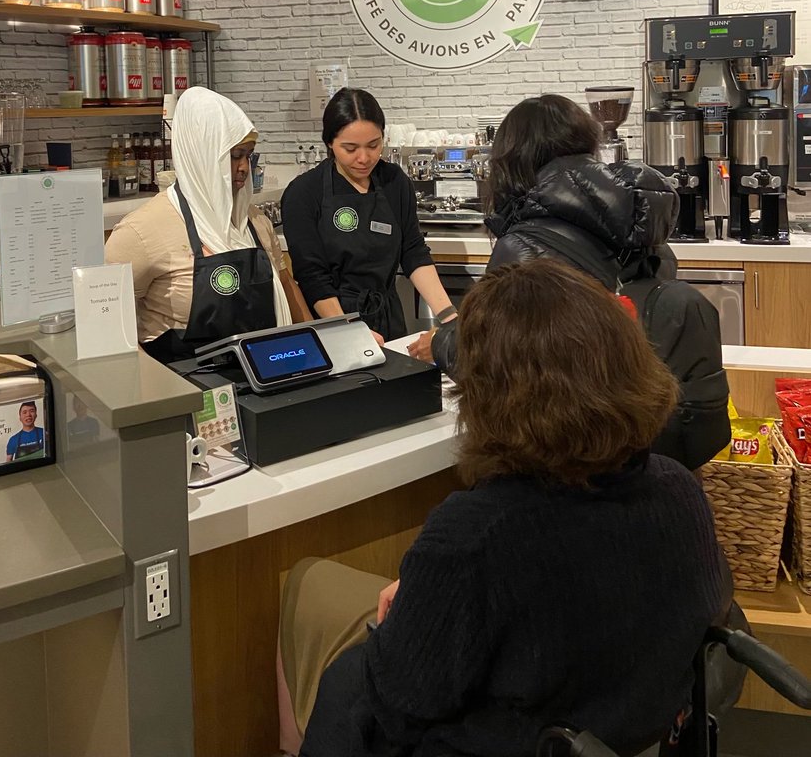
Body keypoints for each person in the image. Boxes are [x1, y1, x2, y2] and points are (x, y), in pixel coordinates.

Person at [278, 260, 730, 757]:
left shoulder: (475, 536)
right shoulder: (677, 489)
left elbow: (403, 702)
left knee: (339, 662)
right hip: (637, 734)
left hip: (511, 741)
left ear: (487, 392)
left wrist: (423, 605)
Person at [423, 93, 731, 470]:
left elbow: (500, 357)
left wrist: (441, 343)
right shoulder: (636, 214)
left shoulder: (524, 243)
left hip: (578, 458)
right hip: (656, 443)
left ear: (512, 159)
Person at [105, 87, 301, 362]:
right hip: (184, 389)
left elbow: (286, 288)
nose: (244, 167)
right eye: (234, 156)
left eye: (249, 155)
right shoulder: (140, 232)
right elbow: (107, 326)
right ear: (201, 154)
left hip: (262, 380)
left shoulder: (254, 222)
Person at [281, 88, 456, 343]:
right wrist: (349, 330)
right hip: (333, 324)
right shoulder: (305, 192)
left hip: (389, 318)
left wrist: (450, 317)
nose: (364, 158)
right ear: (329, 142)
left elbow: (413, 252)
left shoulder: (395, 181)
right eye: (350, 148)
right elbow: (312, 277)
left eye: (374, 145)